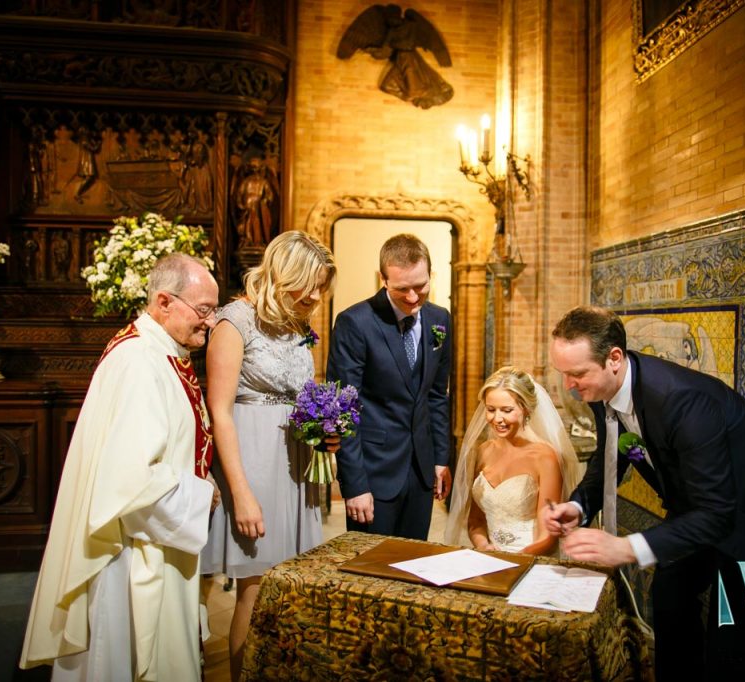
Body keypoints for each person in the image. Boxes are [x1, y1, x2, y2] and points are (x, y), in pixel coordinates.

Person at [543, 305, 745, 682]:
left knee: (732, 625)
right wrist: (579, 505)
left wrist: (626, 548)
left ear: (614, 359)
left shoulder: (682, 401)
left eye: (577, 374)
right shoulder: (602, 389)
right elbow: (615, 455)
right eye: (564, 374)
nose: (570, 385)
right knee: (670, 595)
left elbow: (718, 513)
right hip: (705, 502)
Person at [20, 253, 221, 681]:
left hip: (154, 537)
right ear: (164, 302)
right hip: (129, 551)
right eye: (204, 310)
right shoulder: (138, 362)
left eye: (214, 310)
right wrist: (203, 494)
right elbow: (133, 482)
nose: (210, 321)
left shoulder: (159, 351)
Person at [200, 230, 336, 681]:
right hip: (252, 465)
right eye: (310, 284)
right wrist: (241, 493)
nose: (317, 295)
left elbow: (303, 396)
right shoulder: (233, 322)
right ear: (283, 275)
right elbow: (219, 413)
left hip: (296, 465)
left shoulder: (299, 327)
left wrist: (324, 433)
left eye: (322, 286)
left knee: (293, 586)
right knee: (255, 589)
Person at [327, 233, 452, 539]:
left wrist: (439, 458)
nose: (412, 297)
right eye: (401, 289)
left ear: (431, 275)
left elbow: (437, 395)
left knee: (411, 566)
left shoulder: (440, 319)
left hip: (421, 470)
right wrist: (355, 484)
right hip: (374, 472)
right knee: (369, 573)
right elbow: (345, 410)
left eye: (421, 286)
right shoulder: (355, 323)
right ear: (382, 279)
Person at [444, 366, 581, 555]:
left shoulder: (545, 458)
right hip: (489, 559)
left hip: (530, 558)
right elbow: (476, 522)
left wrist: (515, 561)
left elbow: (547, 536)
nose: (497, 418)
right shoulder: (483, 451)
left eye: (506, 410)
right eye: (491, 410)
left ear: (525, 409)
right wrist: (483, 545)